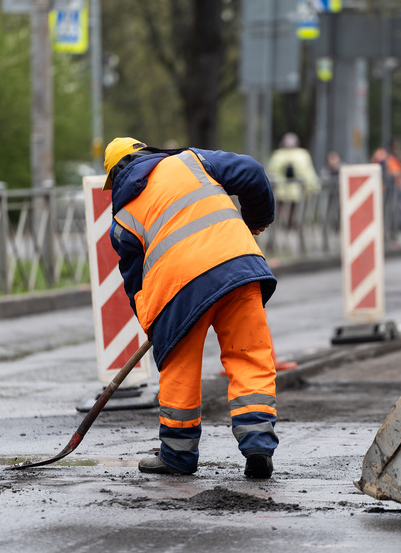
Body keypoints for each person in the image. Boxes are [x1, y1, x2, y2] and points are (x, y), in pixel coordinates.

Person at [103, 137, 279, 479]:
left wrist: (155, 326)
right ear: (146, 153)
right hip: (237, 267)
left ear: (115, 178)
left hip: (177, 292)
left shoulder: (122, 221)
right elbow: (252, 172)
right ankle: (258, 444)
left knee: (179, 369)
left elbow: (135, 284)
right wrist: (256, 220)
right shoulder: (191, 161)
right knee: (250, 357)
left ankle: (178, 456)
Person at [266, 133, 320, 230]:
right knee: (289, 206)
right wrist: (312, 185)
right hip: (291, 189)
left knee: (285, 205)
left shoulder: (278, 156)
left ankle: (288, 221)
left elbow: (271, 170)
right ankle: (289, 221)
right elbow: (307, 172)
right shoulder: (302, 156)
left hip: (284, 188)